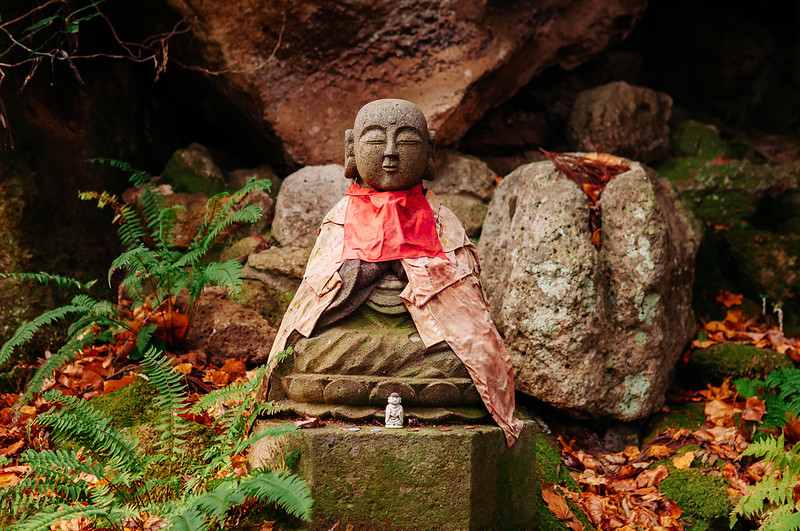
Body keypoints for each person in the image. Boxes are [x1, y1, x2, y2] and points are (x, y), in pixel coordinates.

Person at [262, 99, 522, 446]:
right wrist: (370, 267)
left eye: (407, 141)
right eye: (374, 140)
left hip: (424, 344)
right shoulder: (341, 217)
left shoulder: (441, 220)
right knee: (308, 355)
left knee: (468, 362)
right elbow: (314, 307)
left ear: (429, 151)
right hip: (352, 337)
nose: (390, 153)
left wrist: (415, 272)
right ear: (351, 149)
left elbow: (464, 310)